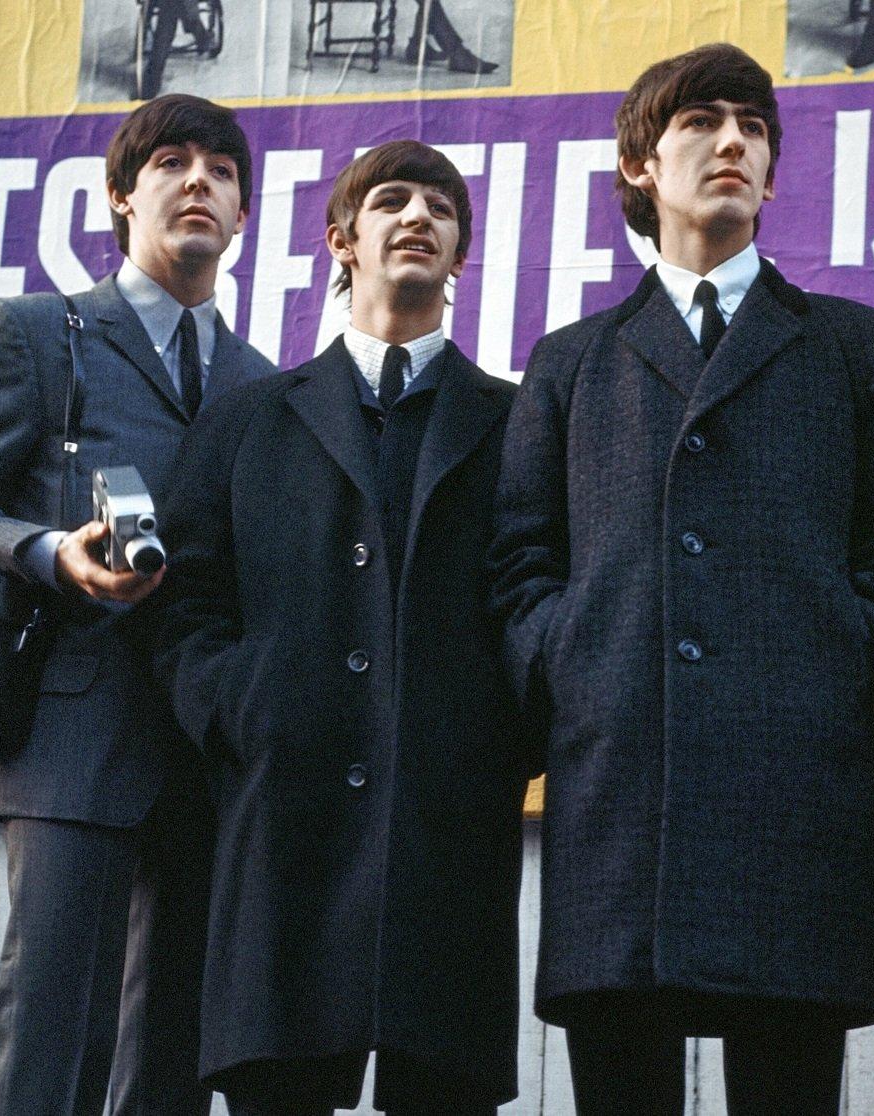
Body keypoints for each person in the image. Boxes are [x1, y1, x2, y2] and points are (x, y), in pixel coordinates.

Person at [490, 43, 874, 1116]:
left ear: (775, 173)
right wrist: (572, 668)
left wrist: (852, 662)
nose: (731, 141)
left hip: (799, 785)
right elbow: (518, 566)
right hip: (621, 792)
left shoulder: (853, 347)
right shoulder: (571, 360)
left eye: (751, 126)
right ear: (641, 163)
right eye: (699, 123)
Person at [0, 94, 275, 1116]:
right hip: (68, 742)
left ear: (243, 218)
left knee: (174, 1068)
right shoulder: (37, 335)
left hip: (210, 757)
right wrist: (53, 553)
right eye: (173, 163)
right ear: (119, 197)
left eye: (223, 172)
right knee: (53, 1052)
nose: (200, 181)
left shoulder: (265, 385)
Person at [152, 141, 527, 1115]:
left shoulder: (519, 421)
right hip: (283, 835)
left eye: (440, 208)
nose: (417, 217)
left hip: (449, 834)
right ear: (340, 239)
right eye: (391, 200)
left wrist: (499, 734)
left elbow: (540, 591)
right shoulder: (246, 420)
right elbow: (184, 604)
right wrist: (240, 707)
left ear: (460, 255)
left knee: (443, 1089)